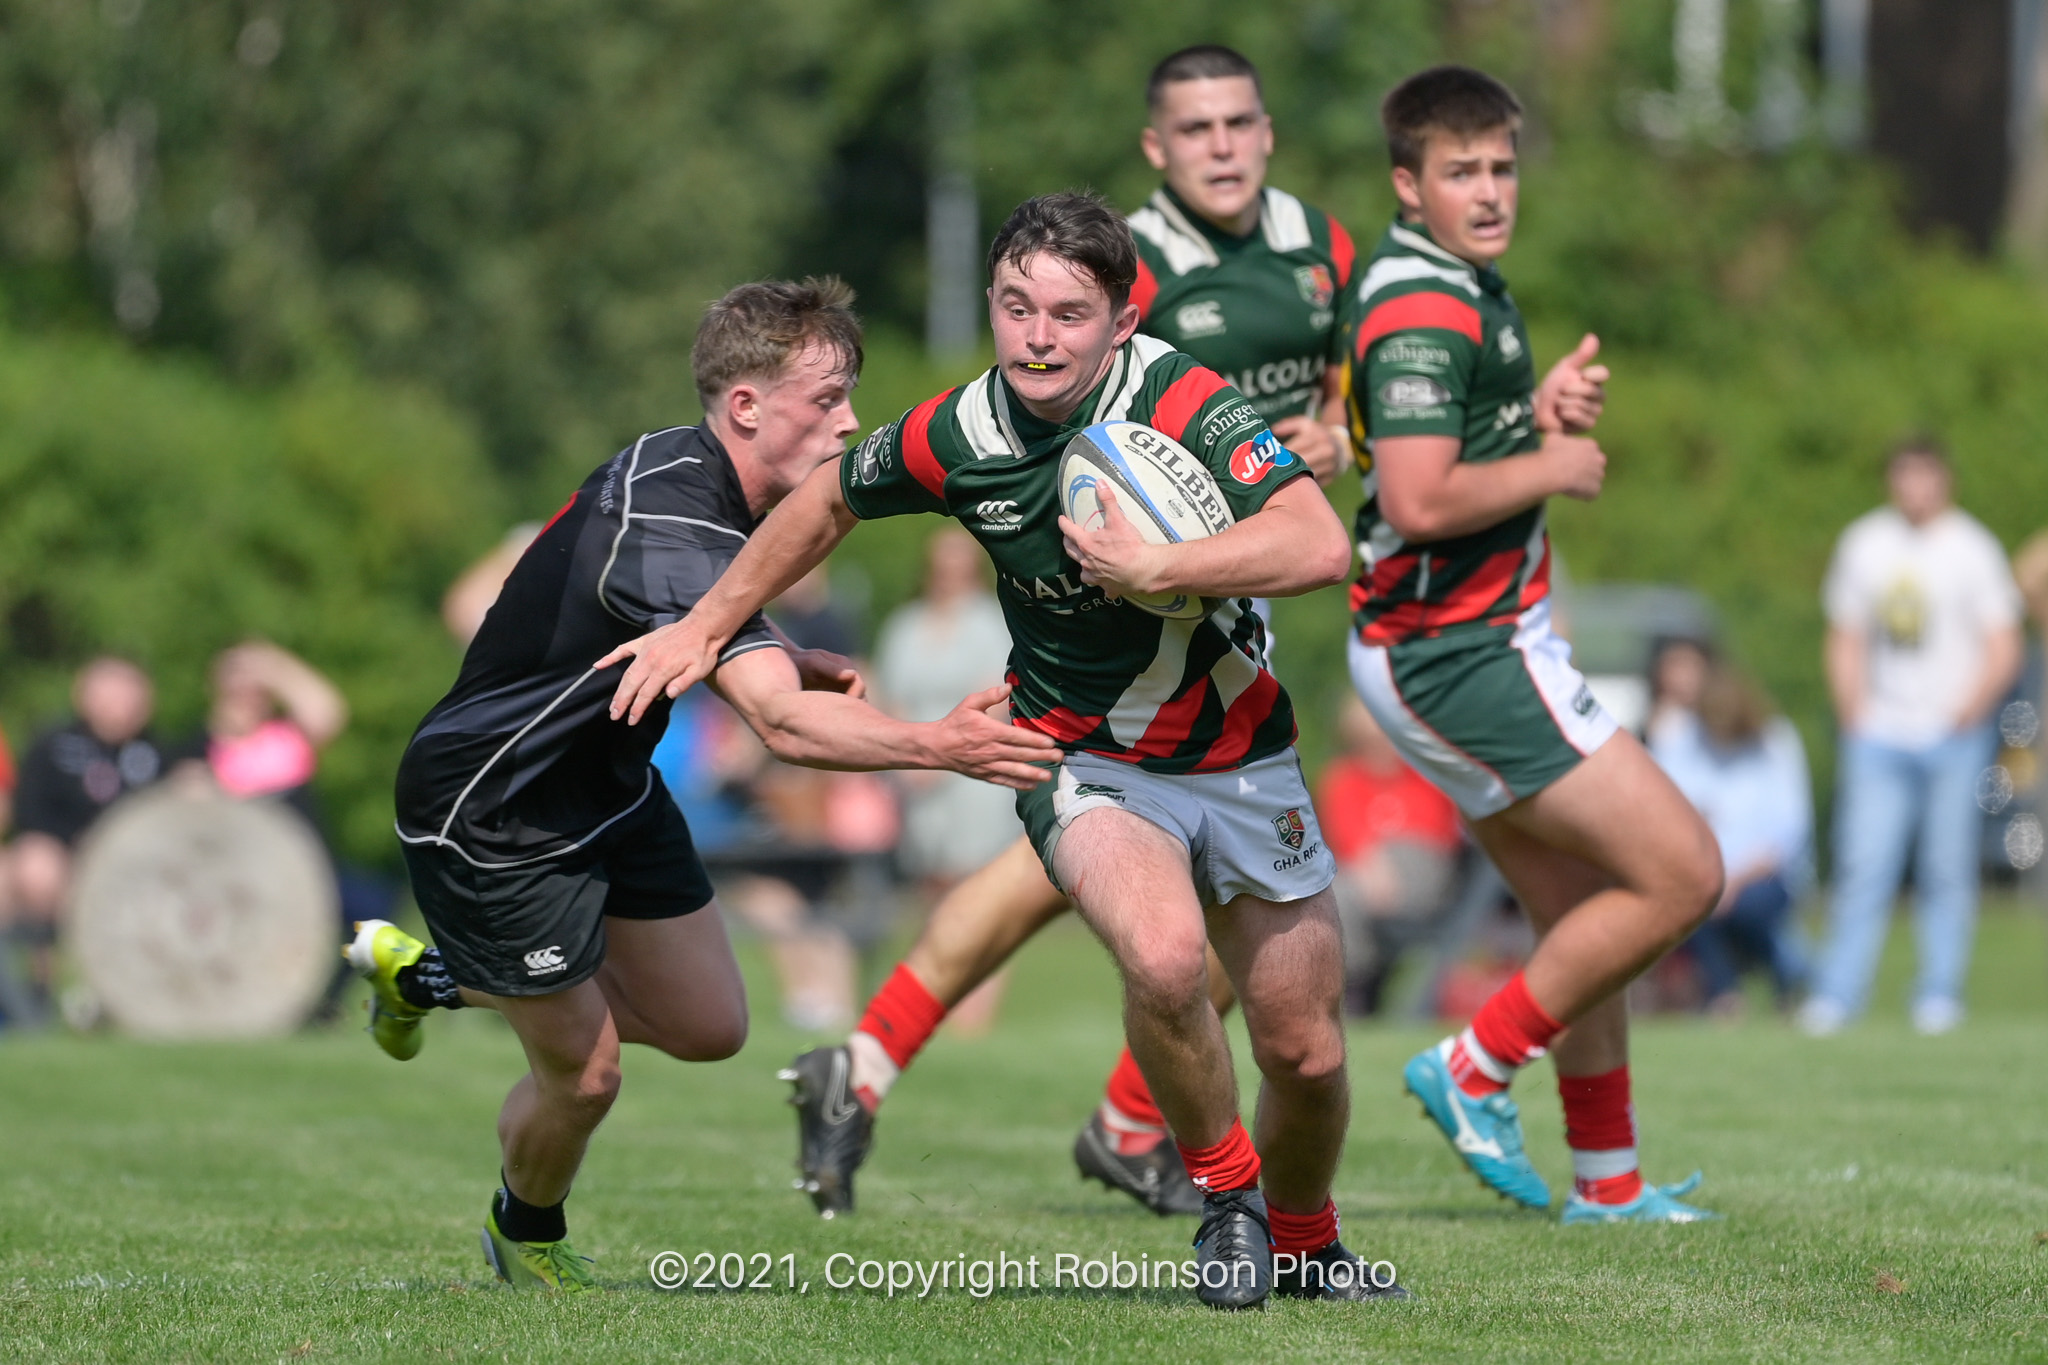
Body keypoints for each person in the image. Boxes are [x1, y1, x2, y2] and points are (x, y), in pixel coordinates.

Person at [604, 194, 1403, 1309]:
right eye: (1016, 307)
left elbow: (1318, 543)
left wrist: (1164, 568)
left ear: (1119, 321)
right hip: (1083, 759)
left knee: (1304, 1049)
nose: (1037, 336)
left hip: (1242, 753)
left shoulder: (1180, 397)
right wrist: (707, 620)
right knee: (1165, 961)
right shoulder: (957, 433)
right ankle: (1228, 1204)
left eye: (1068, 315)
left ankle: (1309, 1243)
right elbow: (827, 500)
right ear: (990, 306)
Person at [343, 278, 1057, 1292]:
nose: (850, 419)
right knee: (585, 1077)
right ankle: (525, 1234)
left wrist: (765, 652)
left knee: (711, 1027)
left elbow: (704, 632)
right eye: (826, 398)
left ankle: (428, 977)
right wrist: (937, 745)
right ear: (746, 407)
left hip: (610, 788)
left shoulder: (702, 494)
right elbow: (779, 721)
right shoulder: (675, 519)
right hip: (494, 815)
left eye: (851, 395)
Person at [1340, 66, 1723, 1225]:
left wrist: (1530, 412)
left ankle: (1606, 1184)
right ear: (1407, 183)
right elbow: (1413, 496)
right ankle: (1469, 1067)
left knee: (1587, 914)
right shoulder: (1422, 303)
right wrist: (1553, 463)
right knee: (1683, 875)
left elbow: (1444, 447)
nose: (1490, 189)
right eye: (1460, 170)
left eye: (1500, 166)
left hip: (1454, 640)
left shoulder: (1456, 280)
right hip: (1454, 649)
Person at [1800, 437, 2023, 1036]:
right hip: (1880, 734)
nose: (1916, 488)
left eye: (1926, 476)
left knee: (1946, 868)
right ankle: (1838, 993)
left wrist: (1966, 712)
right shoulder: (1866, 543)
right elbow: (1845, 635)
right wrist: (1854, 712)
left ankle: (1939, 992)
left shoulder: (1973, 549)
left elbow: (2004, 644)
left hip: (1953, 736)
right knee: (1862, 865)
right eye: (1905, 476)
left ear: (1944, 480)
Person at [872, 527, 1020, 1031]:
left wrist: (953, 751)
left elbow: (1000, 697)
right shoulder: (906, 624)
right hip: (919, 774)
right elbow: (889, 693)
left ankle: (974, 1016)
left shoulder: (990, 621)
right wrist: (912, 753)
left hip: (973, 774)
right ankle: (934, 1002)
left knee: (976, 891)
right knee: (931, 890)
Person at [8, 657, 171, 1013]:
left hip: (138, 863)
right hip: (67, 854)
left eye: (128, 696)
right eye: (108, 694)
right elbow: (31, 814)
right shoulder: (52, 746)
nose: (118, 705)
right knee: (37, 866)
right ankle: (44, 984)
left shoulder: (159, 753)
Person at [1653, 661, 1814, 1013]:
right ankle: (1725, 994)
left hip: (1764, 876)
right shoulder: (1682, 739)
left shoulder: (1775, 742)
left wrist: (1736, 879)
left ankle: (1787, 973)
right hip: (1703, 871)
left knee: (1745, 906)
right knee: (1689, 898)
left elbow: (1789, 831)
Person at [1317, 694, 1463, 1015]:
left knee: (1346, 894)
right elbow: (1348, 835)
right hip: (1364, 875)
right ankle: (1355, 989)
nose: (1380, 747)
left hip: (1422, 873)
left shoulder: (1424, 776)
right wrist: (1374, 867)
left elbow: (1436, 833)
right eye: (1369, 739)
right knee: (1338, 896)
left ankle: (1355, 993)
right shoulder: (1343, 778)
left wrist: (1385, 866)